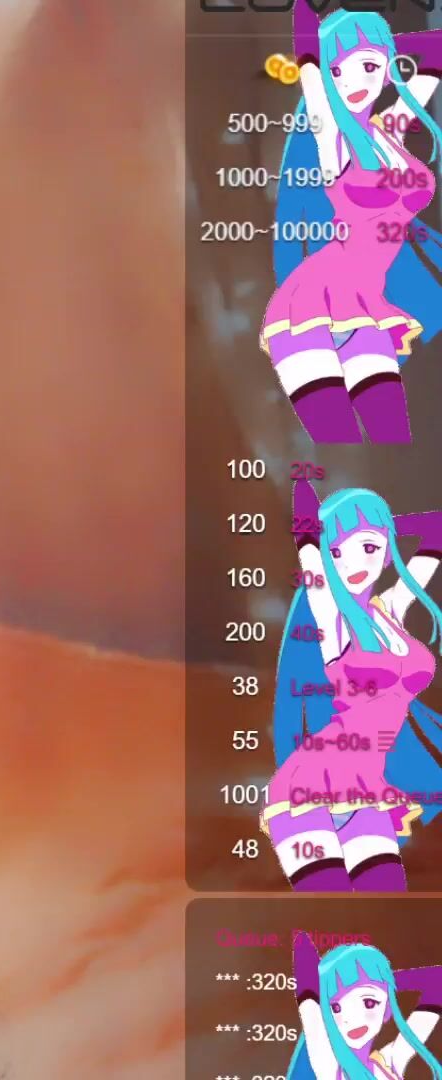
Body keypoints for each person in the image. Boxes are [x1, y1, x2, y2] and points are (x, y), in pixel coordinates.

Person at [266, 8, 442, 444]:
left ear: (387, 68)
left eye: (368, 66)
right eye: (337, 71)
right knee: (336, 442)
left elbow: (435, 52)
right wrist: (324, 49)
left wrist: (384, 44)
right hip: (311, 304)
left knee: (391, 438)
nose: (353, 82)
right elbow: (310, 65)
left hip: (366, 305)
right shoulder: (333, 136)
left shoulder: (390, 130)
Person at [267, 482, 442, 892]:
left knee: (384, 905)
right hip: (306, 788)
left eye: (369, 547)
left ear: (387, 550)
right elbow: (308, 538)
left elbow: (436, 529)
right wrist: (322, 529)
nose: (353, 562)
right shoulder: (332, 618)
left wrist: (378, 522)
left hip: (366, 790)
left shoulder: (389, 611)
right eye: (337, 551)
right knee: (329, 909)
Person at [287, 931, 442, 1079]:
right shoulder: (330, 1068)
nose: (351, 1019)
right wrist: (372, 981)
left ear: (387, 1008)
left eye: (369, 1002)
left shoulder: (389, 1063)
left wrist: (382, 980)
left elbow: (437, 979)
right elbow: (303, 948)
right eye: (336, 1008)